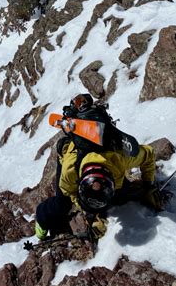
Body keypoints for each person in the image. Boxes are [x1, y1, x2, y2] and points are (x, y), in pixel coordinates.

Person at [35, 93, 165, 241]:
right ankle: (41, 219)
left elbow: (148, 154)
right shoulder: (69, 172)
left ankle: (86, 113)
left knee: (120, 196)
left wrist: (149, 186)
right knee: (62, 205)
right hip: (69, 154)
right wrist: (91, 214)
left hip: (104, 162)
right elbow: (71, 194)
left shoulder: (120, 159)